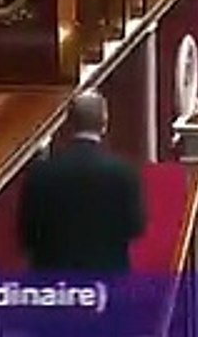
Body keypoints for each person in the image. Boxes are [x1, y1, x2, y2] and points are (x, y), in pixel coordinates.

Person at [18, 90, 146, 272]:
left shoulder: (41, 172)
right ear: (104, 123)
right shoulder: (123, 172)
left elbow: (27, 235)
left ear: (69, 124)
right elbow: (135, 227)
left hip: (54, 281)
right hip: (107, 276)